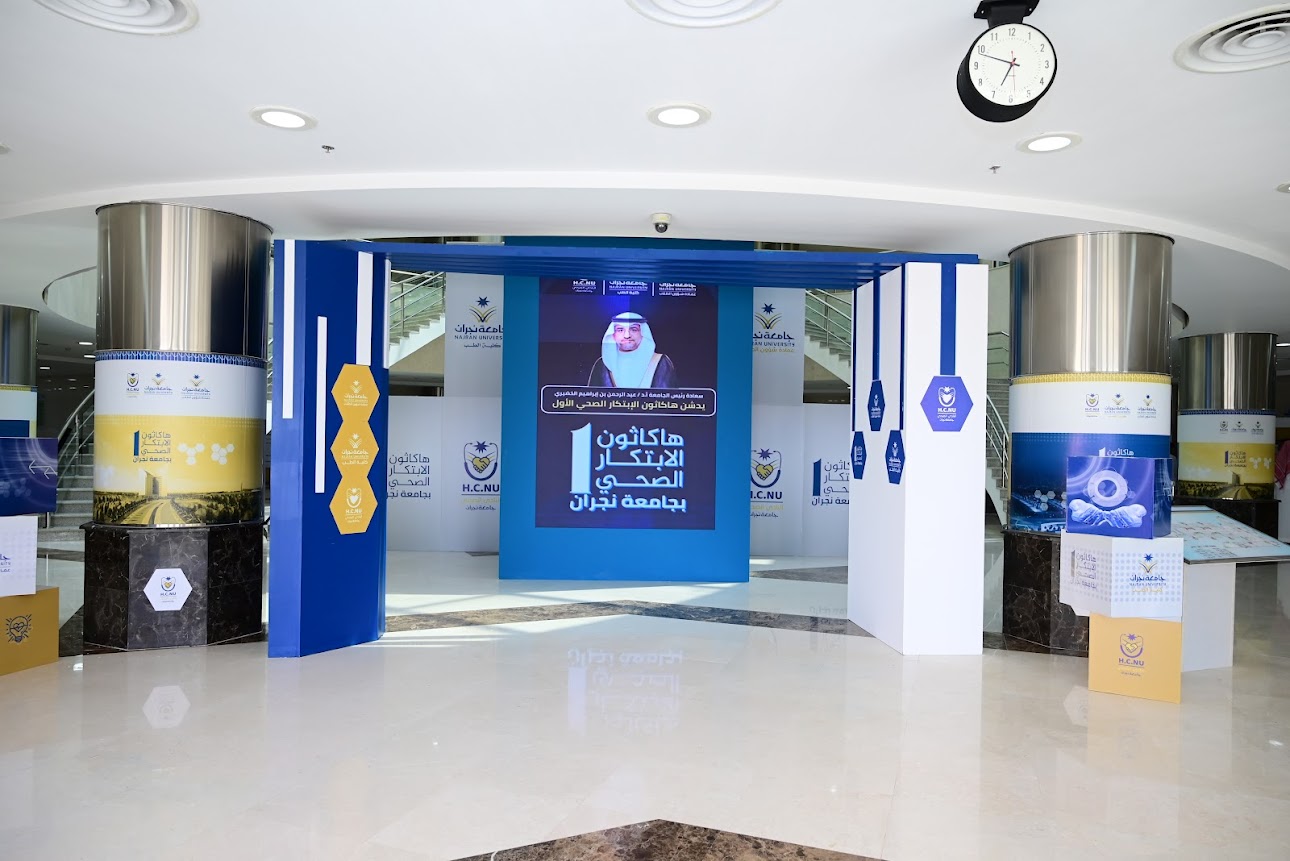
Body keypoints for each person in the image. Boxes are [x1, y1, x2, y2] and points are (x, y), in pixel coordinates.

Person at [587, 312, 676, 388]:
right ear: (613, 335)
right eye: (620, 330)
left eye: (634, 329)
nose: (627, 335)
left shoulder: (660, 362)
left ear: (643, 333)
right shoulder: (602, 364)